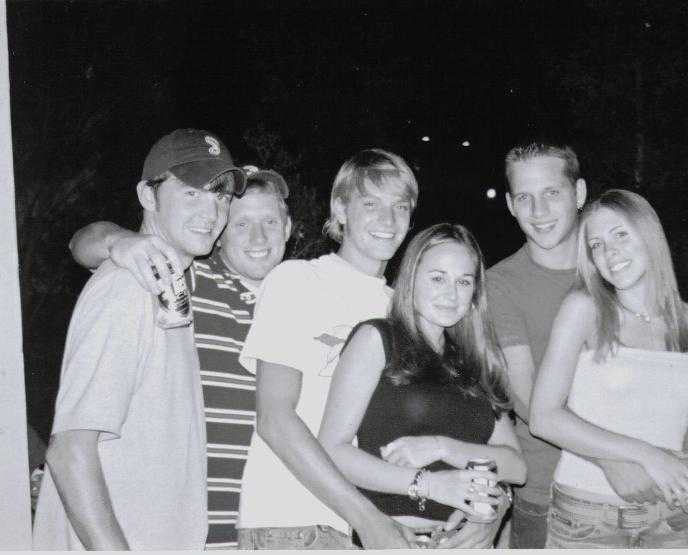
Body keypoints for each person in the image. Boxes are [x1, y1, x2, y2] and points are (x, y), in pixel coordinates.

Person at [33, 129, 246, 549]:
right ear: (148, 196)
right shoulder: (128, 287)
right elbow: (69, 450)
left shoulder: (170, 285)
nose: (211, 211)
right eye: (191, 192)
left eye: (221, 196)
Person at [486, 141, 688, 548]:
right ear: (511, 206)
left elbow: (678, 372)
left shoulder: (620, 263)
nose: (539, 211)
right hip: (552, 489)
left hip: (657, 482)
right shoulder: (501, 284)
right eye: (524, 198)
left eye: (552, 193)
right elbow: (526, 395)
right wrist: (610, 461)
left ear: (579, 193)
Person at [67, 165, 293, 549]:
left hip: (277, 529)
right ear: (219, 233)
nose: (258, 237)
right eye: (241, 224)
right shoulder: (185, 281)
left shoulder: (303, 304)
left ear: (288, 228)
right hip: (194, 532)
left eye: (270, 222)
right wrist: (119, 240)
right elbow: (81, 243)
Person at [530, 189, 688, 548]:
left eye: (620, 235)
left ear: (649, 235)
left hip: (674, 517)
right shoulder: (584, 311)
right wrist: (650, 456)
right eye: (596, 245)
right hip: (588, 521)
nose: (609, 252)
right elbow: (544, 418)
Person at [236, 149, 421, 549]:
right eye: (370, 204)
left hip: (382, 527)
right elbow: (274, 418)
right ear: (340, 209)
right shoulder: (298, 281)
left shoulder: (405, 310)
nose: (388, 220)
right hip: (293, 525)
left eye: (400, 206)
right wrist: (367, 519)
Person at [318, 223, 526, 549]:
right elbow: (333, 450)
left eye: (463, 281)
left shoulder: (475, 360)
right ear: (411, 278)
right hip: (397, 538)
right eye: (437, 278)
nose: (451, 293)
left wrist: (441, 448)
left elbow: (515, 467)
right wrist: (429, 484)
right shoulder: (377, 339)